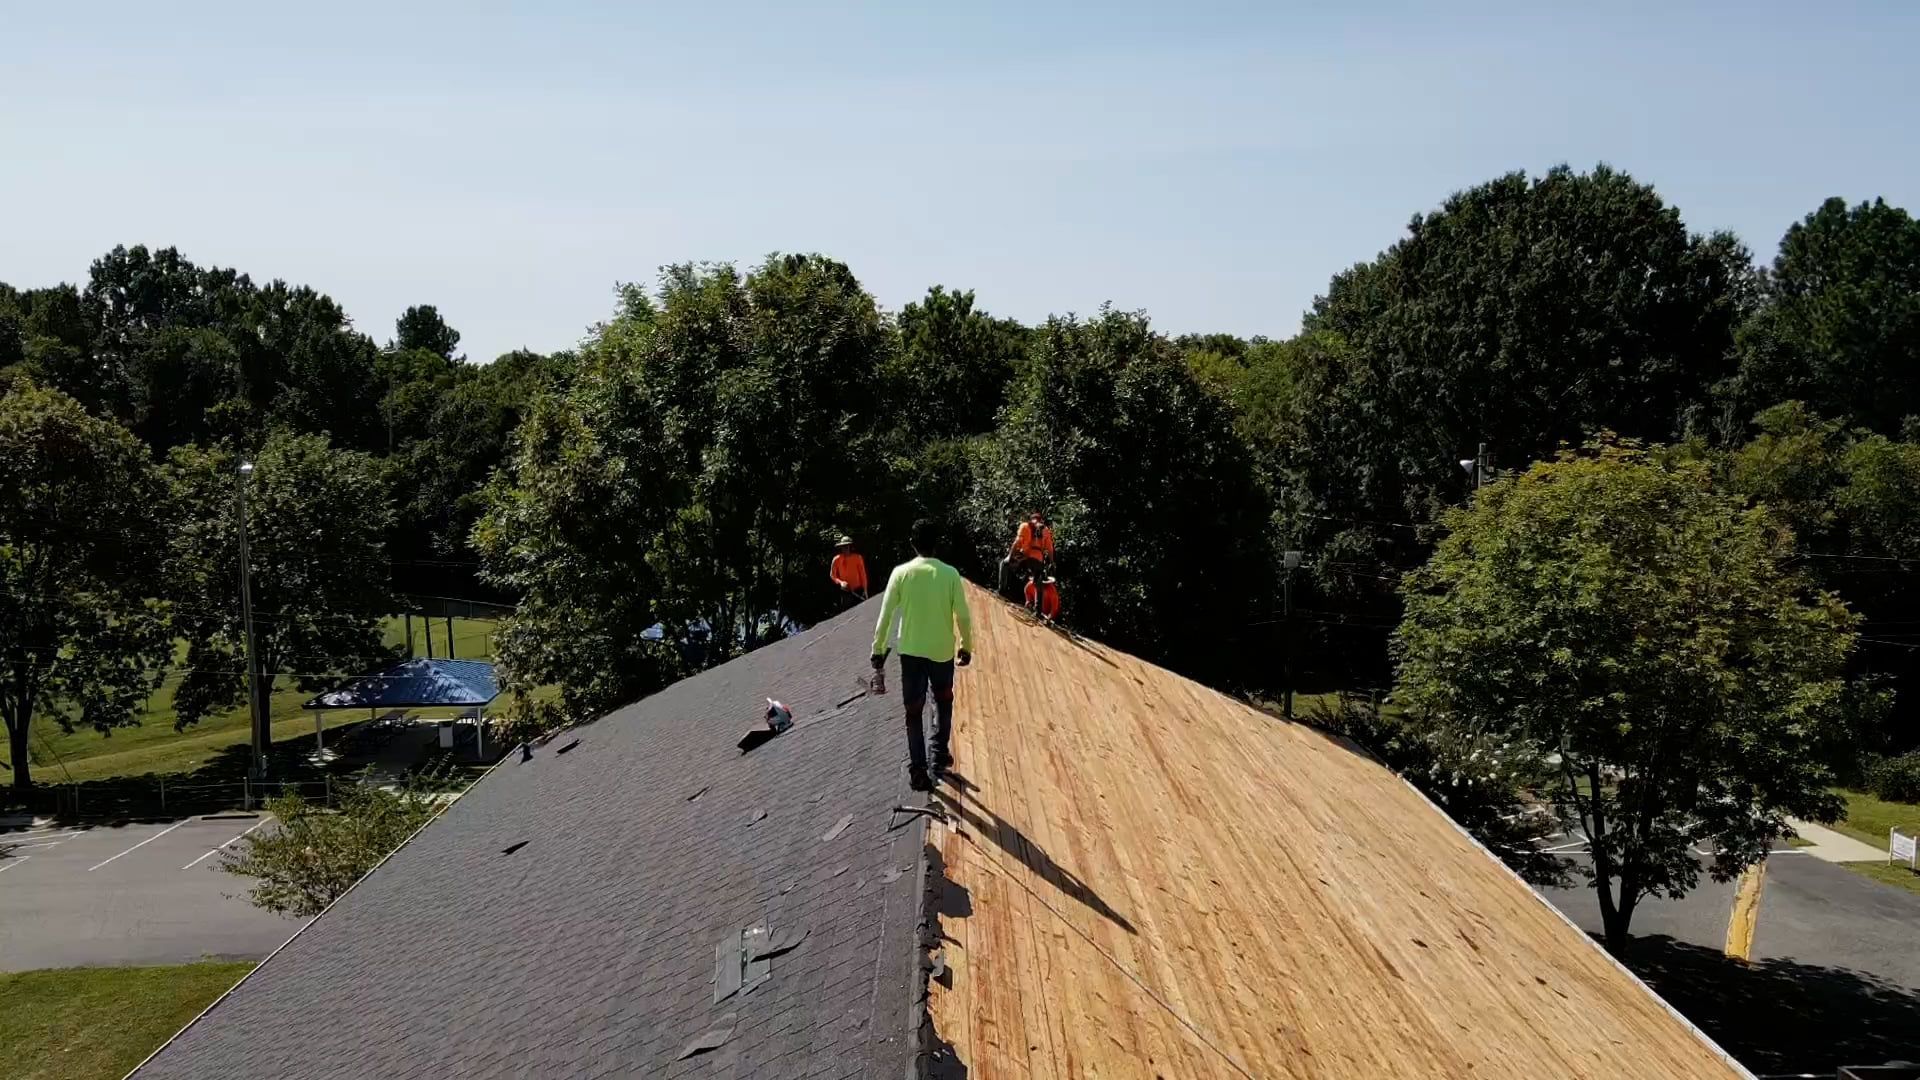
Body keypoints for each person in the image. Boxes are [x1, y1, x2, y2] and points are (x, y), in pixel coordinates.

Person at [872, 519, 974, 791]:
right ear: (935, 543)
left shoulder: (901, 573)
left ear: (912, 543)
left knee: (913, 712)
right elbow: (963, 615)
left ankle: (918, 770)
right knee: (943, 699)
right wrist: (966, 645)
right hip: (941, 651)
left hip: (912, 652)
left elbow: (886, 616)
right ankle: (939, 751)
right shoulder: (950, 574)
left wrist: (877, 651)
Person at [1006, 510, 1054, 593]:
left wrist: (1010, 556)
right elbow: (1050, 549)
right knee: (1037, 580)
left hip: (1024, 556)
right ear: (1041, 520)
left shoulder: (1025, 526)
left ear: (1031, 519)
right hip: (1038, 559)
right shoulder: (1045, 530)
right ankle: (1036, 603)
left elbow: (1017, 542)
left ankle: (1004, 590)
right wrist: (1051, 562)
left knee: (1006, 565)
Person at [829, 535, 868, 602]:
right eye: (843, 547)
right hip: (845, 591)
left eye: (847, 546)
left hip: (857, 590)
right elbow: (832, 575)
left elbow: (863, 574)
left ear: (850, 547)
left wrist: (865, 590)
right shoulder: (836, 559)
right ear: (841, 547)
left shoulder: (857, 558)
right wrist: (841, 582)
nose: (845, 548)